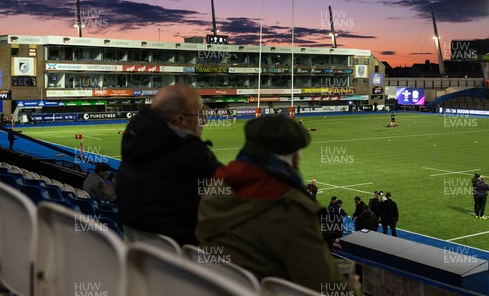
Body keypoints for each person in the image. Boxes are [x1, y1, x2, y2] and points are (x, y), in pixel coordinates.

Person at [195, 116, 361, 294]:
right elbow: (323, 283)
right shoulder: (291, 208)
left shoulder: (215, 188)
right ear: (295, 158)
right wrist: (352, 288)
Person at [116, 84, 221, 245]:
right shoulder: (193, 156)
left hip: (139, 258)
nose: (204, 120)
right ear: (180, 121)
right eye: (200, 114)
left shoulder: (133, 143)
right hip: (187, 262)